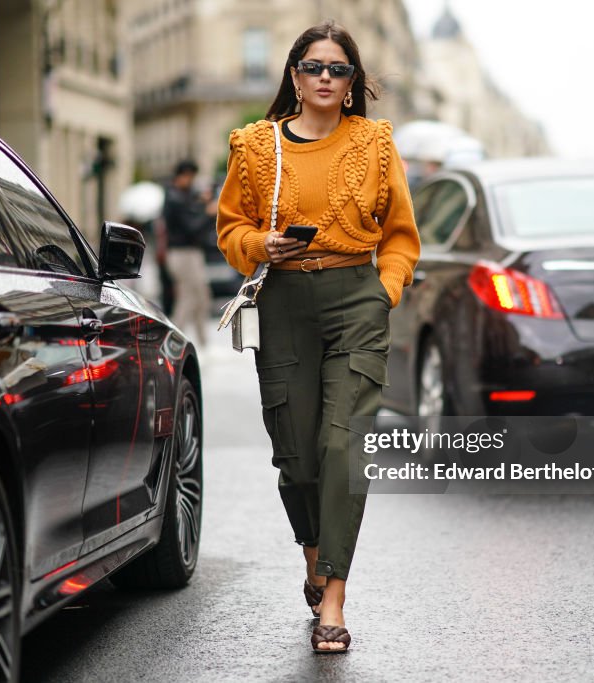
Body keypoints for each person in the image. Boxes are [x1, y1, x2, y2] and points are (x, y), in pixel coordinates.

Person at [215, 21, 420, 653]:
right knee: (298, 457)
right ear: (294, 76)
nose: (326, 78)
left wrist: (383, 292)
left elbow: (402, 235)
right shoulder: (256, 147)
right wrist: (259, 245)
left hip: (357, 299)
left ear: (353, 83)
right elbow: (230, 229)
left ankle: (333, 596)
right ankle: (314, 549)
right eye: (314, 67)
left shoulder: (377, 144)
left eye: (339, 69)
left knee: (342, 446)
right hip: (284, 303)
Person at [163, 159, 213, 347]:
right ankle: (175, 340)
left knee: (200, 296)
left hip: (189, 254)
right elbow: (191, 227)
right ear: (181, 175)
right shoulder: (174, 198)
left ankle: (201, 342)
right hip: (183, 254)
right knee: (190, 297)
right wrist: (207, 213)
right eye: (189, 176)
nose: (191, 181)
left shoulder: (181, 196)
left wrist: (201, 204)